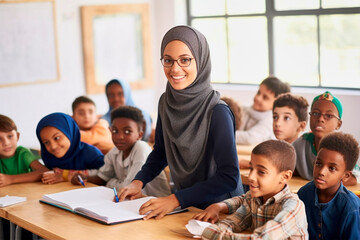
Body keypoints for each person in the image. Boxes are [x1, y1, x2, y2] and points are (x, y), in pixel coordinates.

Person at [116, 25, 243, 220]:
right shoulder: (165, 102)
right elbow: (161, 153)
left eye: (185, 60)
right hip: (185, 205)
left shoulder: (218, 111)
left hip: (219, 210)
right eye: (168, 60)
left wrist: (175, 199)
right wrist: (138, 182)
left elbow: (229, 177)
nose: (175, 69)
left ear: (200, 60)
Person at [193, 140, 308, 239]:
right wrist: (215, 229)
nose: (251, 177)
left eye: (261, 172)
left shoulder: (294, 207)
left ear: (285, 177)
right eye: (251, 168)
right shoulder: (253, 199)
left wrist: (212, 234)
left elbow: (262, 238)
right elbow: (234, 222)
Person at [71, 106, 170, 197]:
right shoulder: (114, 152)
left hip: (156, 205)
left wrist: (110, 182)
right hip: (130, 204)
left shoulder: (141, 148)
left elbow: (128, 186)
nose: (120, 137)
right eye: (115, 131)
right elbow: (102, 177)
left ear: (139, 135)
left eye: (127, 131)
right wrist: (85, 177)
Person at [298, 132, 360, 239]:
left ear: (345, 176)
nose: (321, 171)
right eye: (318, 164)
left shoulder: (351, 208)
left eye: (332, 168)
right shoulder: (303, 193)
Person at [293, 91, 359, 185]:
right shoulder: (300, 144)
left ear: (338, 124)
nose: (320, 119)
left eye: (328, 116)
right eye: (315, 114)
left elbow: (355, 177)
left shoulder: (342, 148)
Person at [36, 112, 104, 184]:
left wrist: (65, 176)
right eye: (46, 142)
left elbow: (105, 177)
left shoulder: (91, 153)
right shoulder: (49, 156)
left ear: (70, 132)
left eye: (57, 138)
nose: (53, 146)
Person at [236, 76, 290, 145]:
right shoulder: (244, 110)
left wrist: (225, 134)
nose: (258, 98)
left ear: (276, 103)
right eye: (258, 93)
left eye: (265, 97)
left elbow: (250, 138)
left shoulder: (271, 120)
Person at [0, 114, 48, 187]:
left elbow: (45, 172)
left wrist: (10, 179)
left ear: (17, 136)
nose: (6, 143)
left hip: (27, 195)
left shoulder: (22, 153)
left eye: (10, 136)